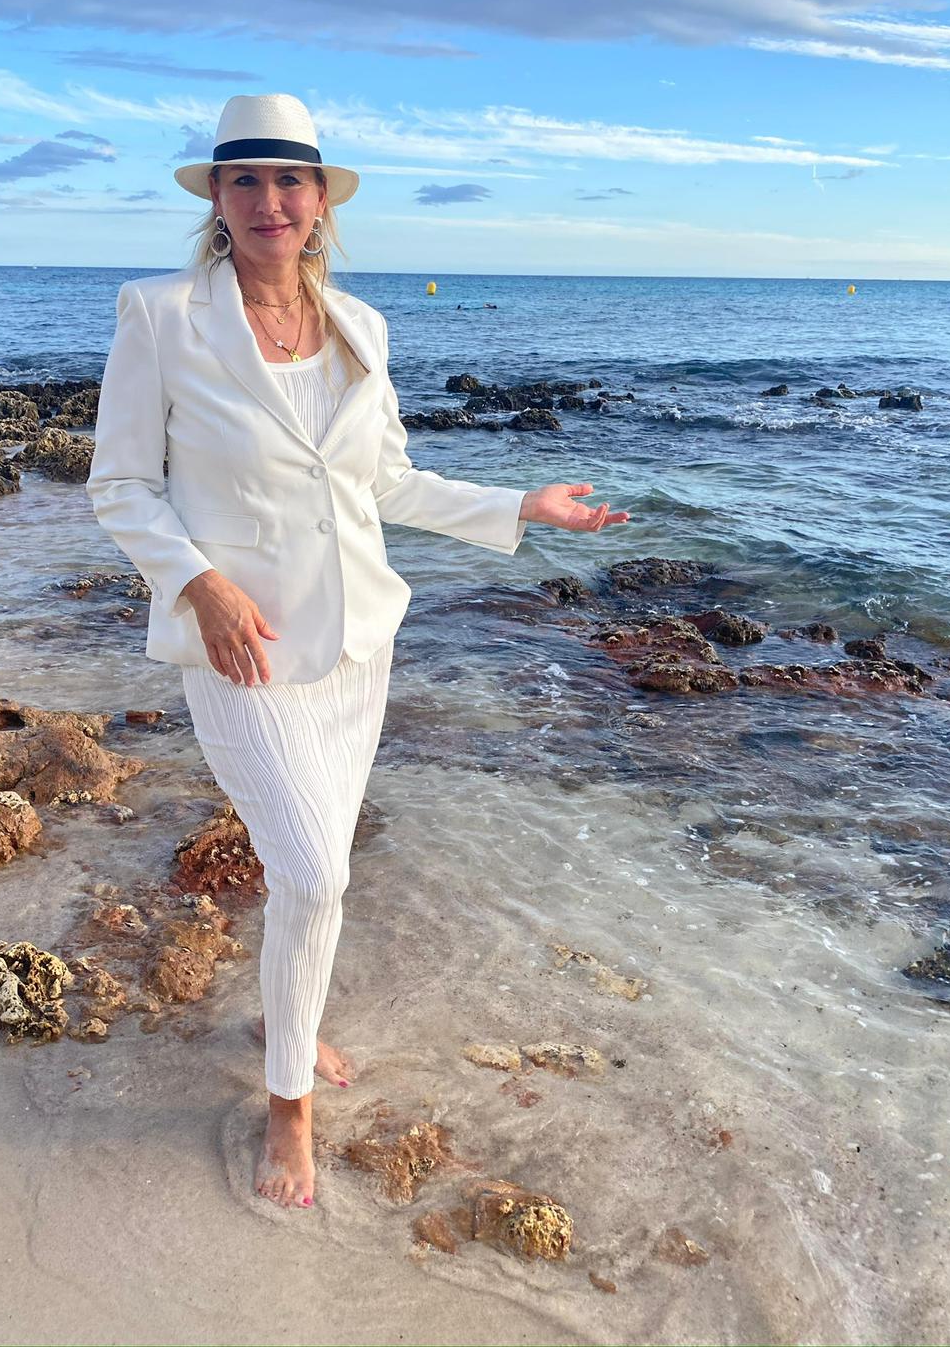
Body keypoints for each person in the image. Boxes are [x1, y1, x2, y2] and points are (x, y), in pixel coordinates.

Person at [85, 93, 630, 1211]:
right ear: (217, 198)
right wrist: (199, 583)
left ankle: (283, 1020)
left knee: (313, 874)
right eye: (246, 180)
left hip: (358, 646)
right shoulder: (160, 314)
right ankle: (288, 1103)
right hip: (241, 646)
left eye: (291, 180)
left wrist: (519, 505)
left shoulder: (361, 327)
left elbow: (385, 481)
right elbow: (123, 484)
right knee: (315, 872)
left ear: (321, 200)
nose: (270, 201)